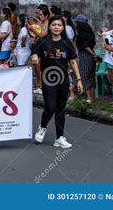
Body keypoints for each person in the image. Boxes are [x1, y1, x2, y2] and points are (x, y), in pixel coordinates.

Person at [31, 15, 83, 149]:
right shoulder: (43, 41)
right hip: (48, 78)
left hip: (63, 79)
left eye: (59, 25)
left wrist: (79, 80)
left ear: (63, 27)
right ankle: (42, 127)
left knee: (60, 109)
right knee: (50, 107)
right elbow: (34, 54)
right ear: (49, 26)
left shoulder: (67, 43)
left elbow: (72, 61)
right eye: (54, 25)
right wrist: (35, 58)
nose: (56, 27)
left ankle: (59, 138)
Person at [74, 14, 97, 103]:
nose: (76, 25)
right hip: (91, 56)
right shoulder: (91, 33)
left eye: (77, 23)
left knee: (84, 76)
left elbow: (86, 47)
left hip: (85, 55)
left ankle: (88, 98)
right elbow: (92, 45)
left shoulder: (81, 35)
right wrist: (94, 55)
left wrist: (94, 55)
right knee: (91, 77)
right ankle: (93, 98)